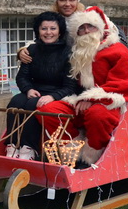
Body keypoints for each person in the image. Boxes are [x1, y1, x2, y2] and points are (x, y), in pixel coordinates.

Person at [37, 6, 128, 168]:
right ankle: (72, 147)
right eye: (81, 28)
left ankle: (92, 154)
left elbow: (123, 83)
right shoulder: (76, 52)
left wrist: (91, 99)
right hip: (78, 100)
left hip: (109, 101)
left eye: (90, 26)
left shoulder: (117, 50)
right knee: (48, 110)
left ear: (100, 28)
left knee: (97, 114)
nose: (85, 31)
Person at [5, 11, 78, 160]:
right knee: (16, 101)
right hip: (34, 90)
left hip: (57, 92)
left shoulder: (68, 52)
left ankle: (29, 148)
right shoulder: (32, 50)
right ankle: (12, 144)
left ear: (60, 32)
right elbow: (22, 76)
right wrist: (28, 89)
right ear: (38, 31)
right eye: (44, 28)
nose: (48, 32)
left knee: (33, 105)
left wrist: (53, 96)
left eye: (53, 28)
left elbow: (71, 85)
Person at [18, 0, 128, 64]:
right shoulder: (54, 21)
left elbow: (114, 34)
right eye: (63, 0)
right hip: (70, 66)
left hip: (97, 62)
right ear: (57, 3)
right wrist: (23, 51)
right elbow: (43, 39)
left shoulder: (91, 15)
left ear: (77, 2)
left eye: (71, 0)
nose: (67, 4)